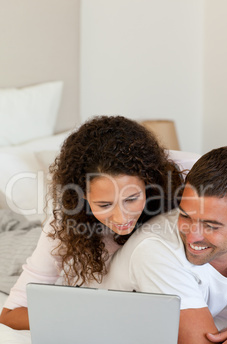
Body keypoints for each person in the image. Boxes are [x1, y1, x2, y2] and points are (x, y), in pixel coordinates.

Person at [0, 115, 187, 330]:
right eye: (105, 204)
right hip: (21, 250)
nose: (121, 218)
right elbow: (10, 314)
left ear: (148, 183)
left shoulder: (176, 193)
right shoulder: (63, 226)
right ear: (83, 198)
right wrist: (85, 318)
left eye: (131, 199)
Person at [108, 146, 227, 344]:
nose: (192, 236)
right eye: (185, 215)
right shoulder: (157, 251)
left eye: (211, 225)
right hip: (104, 339)